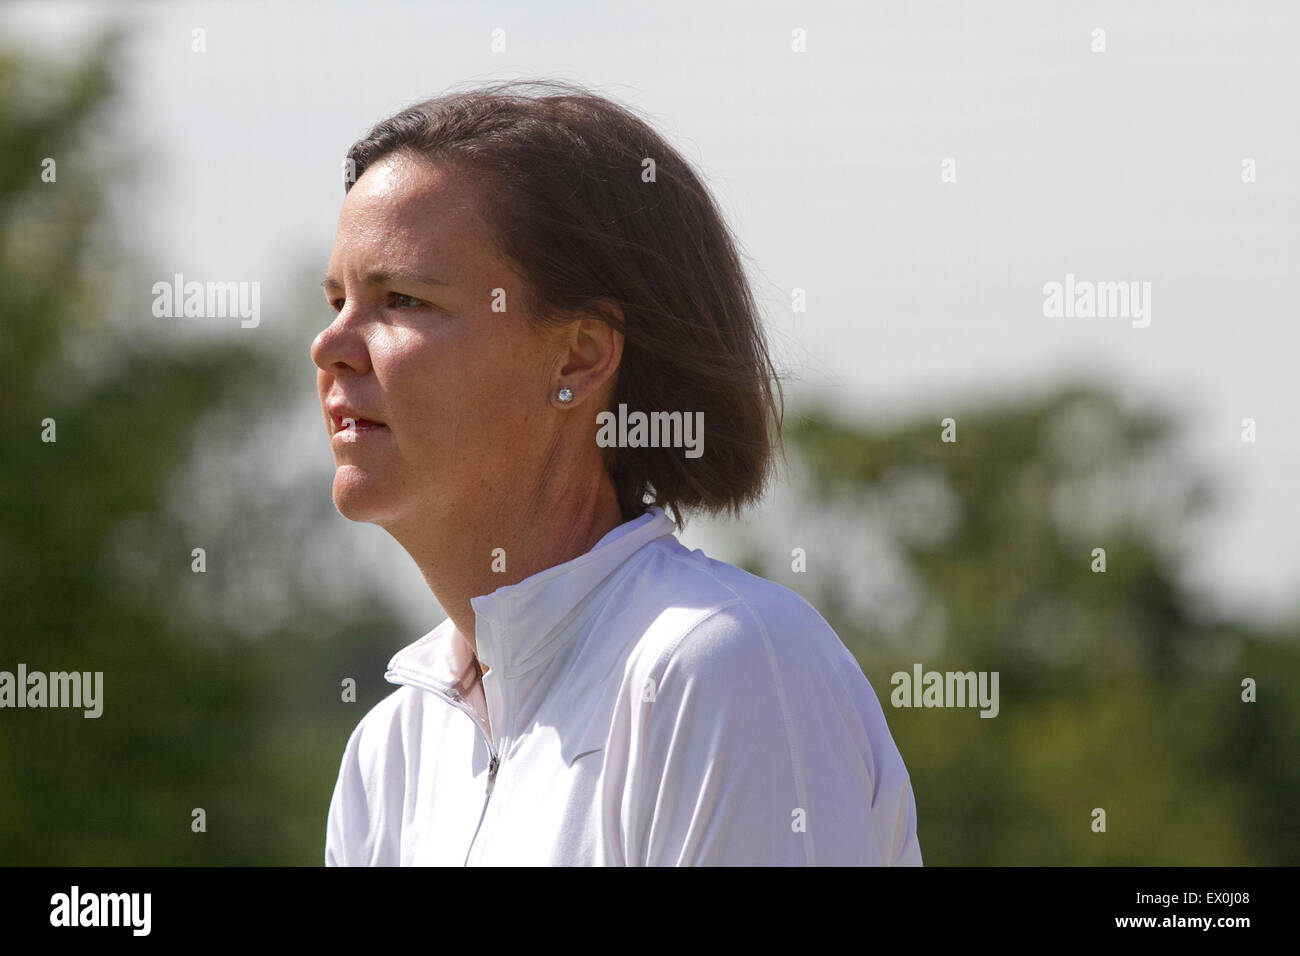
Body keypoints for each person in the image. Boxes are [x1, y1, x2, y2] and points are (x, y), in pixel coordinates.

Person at [313, 79, 922, 866]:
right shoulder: (388, 757)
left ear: (581, 354)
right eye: (335, 299)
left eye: (401, 299)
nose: (331, 344)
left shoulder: (724, 666)